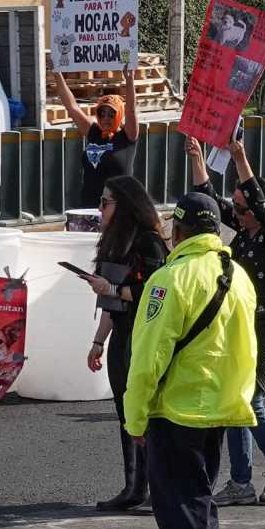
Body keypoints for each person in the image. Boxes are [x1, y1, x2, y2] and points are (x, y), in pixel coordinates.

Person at [122, 192, 258, 529]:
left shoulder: (169, 279)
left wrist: (135, 417)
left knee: (179, 508)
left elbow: (146, 358)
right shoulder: (237, 275)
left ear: (176, 231)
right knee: (199, 501)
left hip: (176, 408)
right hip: (220, 407)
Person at [184, 136, 265, 508]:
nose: (239, 213)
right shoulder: (245, 230)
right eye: (238, 209)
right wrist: (198, 160)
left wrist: (240, 156)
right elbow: (210, 202)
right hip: (243, 323)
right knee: (236, 398)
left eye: (244, 208)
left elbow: (259, 204)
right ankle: (241, 482)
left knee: (251, 399)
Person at [84, 175, 169, 510]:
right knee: (125, 412)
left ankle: (155, 487)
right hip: (121, 334)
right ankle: (134, 486)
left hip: (145, 336)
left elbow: (154, 288)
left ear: (125, 205)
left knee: (145, 412)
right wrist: (97, 342)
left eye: (106, 202)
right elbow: (111, 301)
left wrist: (113, 290)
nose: (100, 208)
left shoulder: (149, 241)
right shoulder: (113, 242)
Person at [52, 68, 140, 210]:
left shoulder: (127, 135)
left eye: (111, 114)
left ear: (119, 116)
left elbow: (131, 110)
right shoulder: (93, 131)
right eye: (102, 113)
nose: (106, 118)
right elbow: (71, 106)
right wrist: (57, 74)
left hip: (118, 208)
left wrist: (129, 81)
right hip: (89, 206)